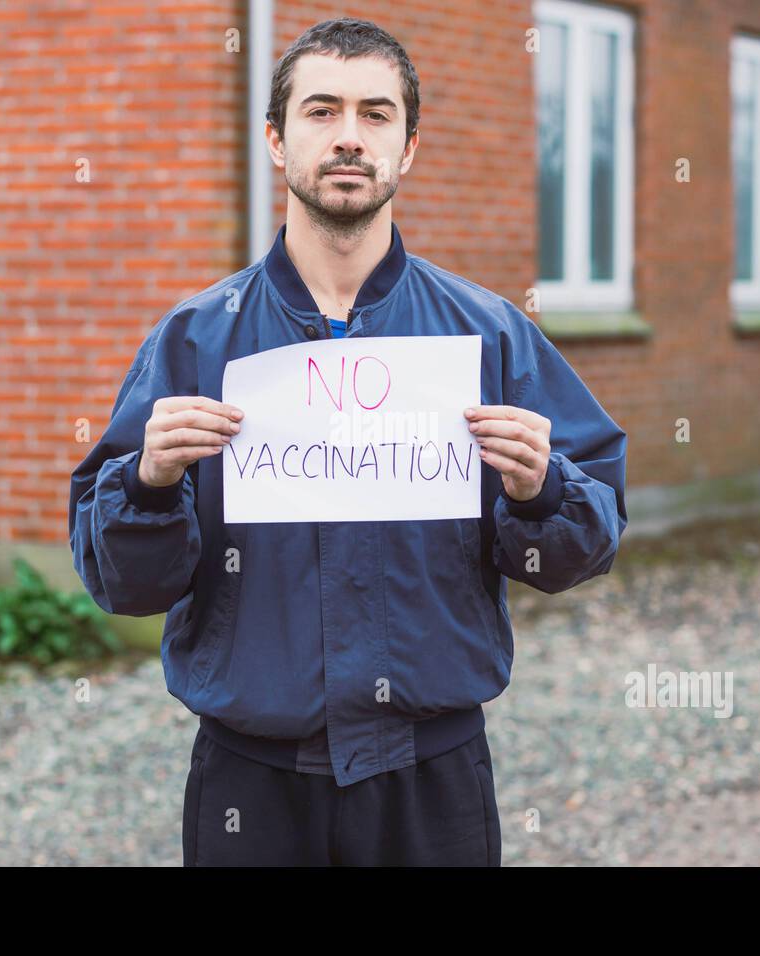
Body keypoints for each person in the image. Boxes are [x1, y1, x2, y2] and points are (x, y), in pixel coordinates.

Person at [68, 16, 628, 866]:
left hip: (432, 783)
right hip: (251, 788)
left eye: (375, 115)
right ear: (276, 139)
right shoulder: (194, 341)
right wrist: (145, 485)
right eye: (321, 111)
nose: (348, 138)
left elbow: (583, 551)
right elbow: (122, 585)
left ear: (407, 148)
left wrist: (541, 489)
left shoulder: (489, 338)